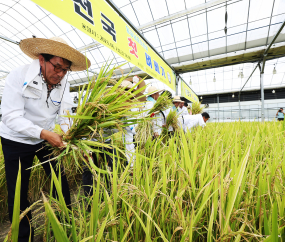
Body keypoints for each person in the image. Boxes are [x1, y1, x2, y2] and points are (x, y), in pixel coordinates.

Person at [0, 36, 91, 242]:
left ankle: (64, 223)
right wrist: (43, 133)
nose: (59, 74)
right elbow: (11, 117)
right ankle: (25, 236)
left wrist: (72, 138)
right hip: (16, 139)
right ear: (42, 59)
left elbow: (65, 113)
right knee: (18, 191)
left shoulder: (63, 81)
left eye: (64, 70)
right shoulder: (18, 76)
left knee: (60, 180)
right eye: (56, 67)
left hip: (45, 139)